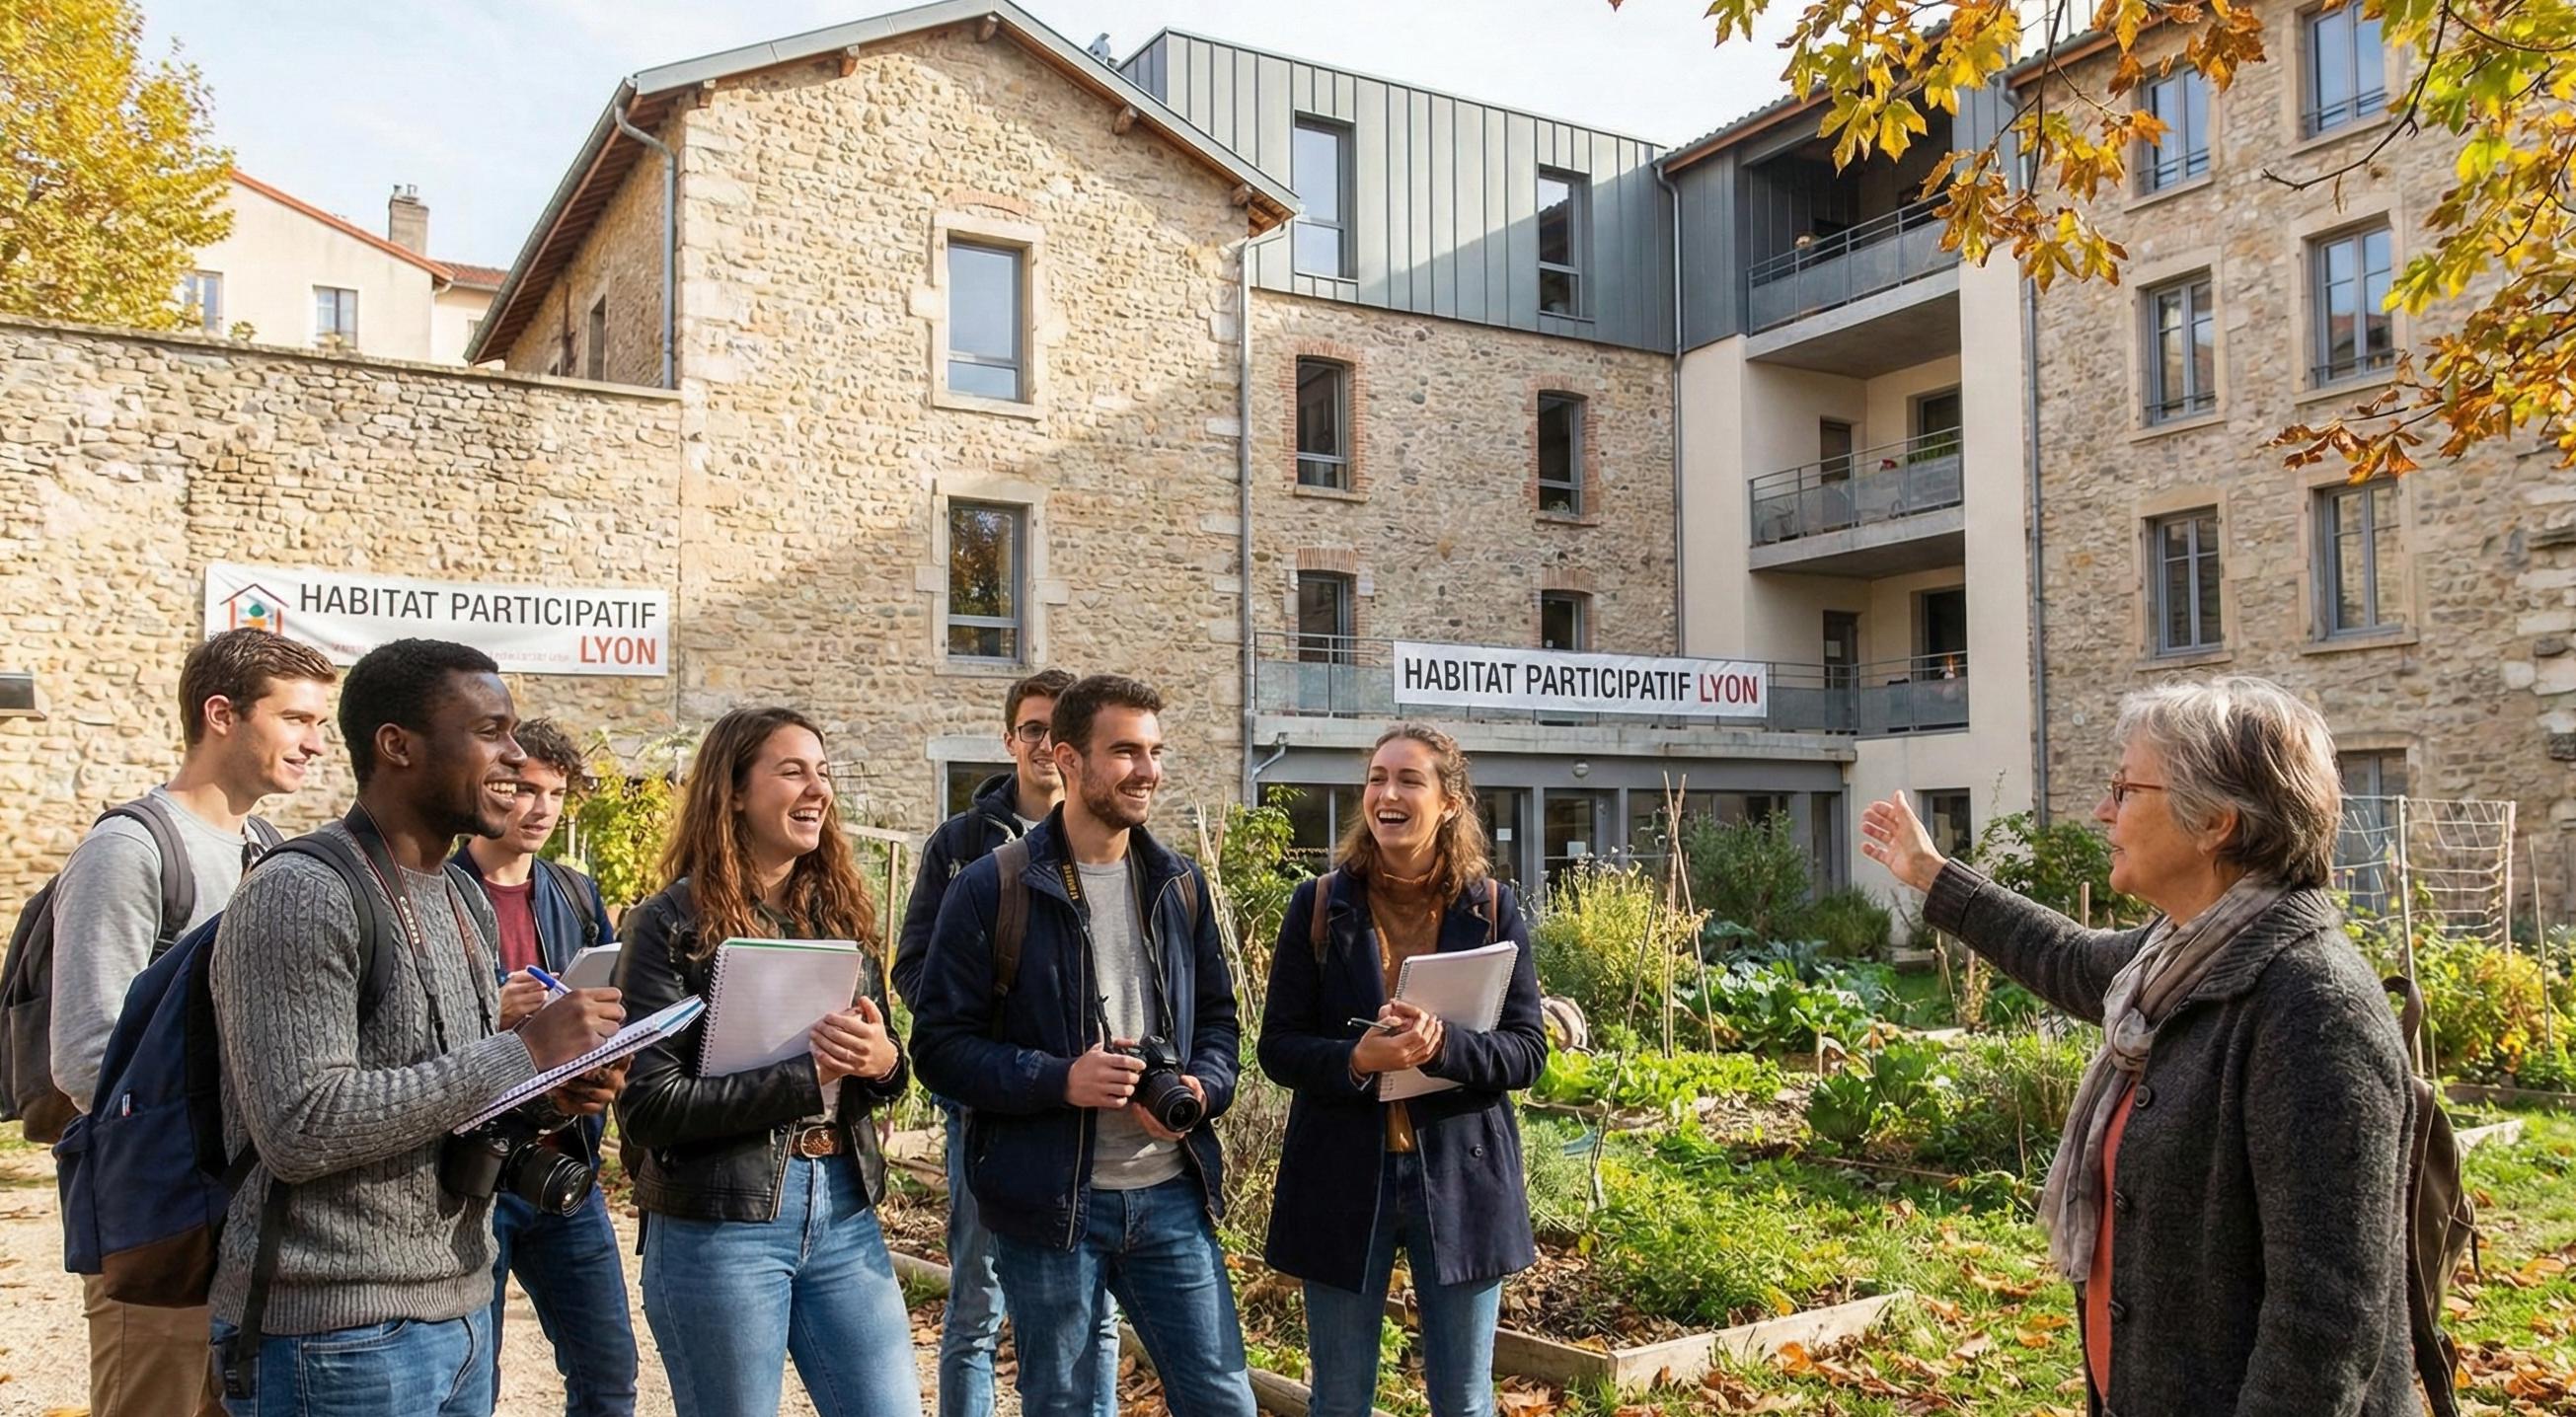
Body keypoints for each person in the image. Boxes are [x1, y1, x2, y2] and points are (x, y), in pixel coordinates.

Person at [1859, 676, 2414, 1415]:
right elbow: (2065, 956)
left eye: (2125, 789)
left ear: (2215, 821)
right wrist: (1931, 876)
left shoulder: (2311, 1007)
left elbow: (2323, 1324)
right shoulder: (2178, 959)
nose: (2102, 810)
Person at [209, 638, 629, 1417]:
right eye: (489, 732)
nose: (512, 757)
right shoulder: (303, 892)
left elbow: (457, 1096)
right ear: (396, 746)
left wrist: (551, 1090)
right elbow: (300, 1126)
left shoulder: (458, 898)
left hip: (459, 1312)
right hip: (334, 1338)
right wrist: (522, 1051)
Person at [913, 674, 1253, 1417]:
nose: (1149, 770)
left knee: (1224, 1400)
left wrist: (1202, 1088)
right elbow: (938, 1047)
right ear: (1068, 759)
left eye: (1155, 751)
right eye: (1125, 751)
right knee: (1062, 1405)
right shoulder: (988, 886)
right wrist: (1058, 1079)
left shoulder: (1179, 885)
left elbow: (1222, 1026)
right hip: (1051, 1206)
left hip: (1171, 1195)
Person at [46, 628, 336, 1417]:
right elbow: (84, 1060)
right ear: (222, 714)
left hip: (249, 1220)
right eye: (297, 720)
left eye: (321, 725)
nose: (316, 745)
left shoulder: (269, 850)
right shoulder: (132, 850)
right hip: (163, 1218)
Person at [613, 707, 920, 1417]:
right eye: (792, 771)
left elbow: (883, 1077)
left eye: (822, 772)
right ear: (735, 792)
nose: (817, 789)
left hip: (844, 1212)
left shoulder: (836, 916)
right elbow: (648, 1107)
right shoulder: (668, 924)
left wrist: (881, 1063)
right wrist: (803, 1079)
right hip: (721, 1227)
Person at [1258, 724, 1546, 1417]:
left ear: (1449, 802)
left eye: (1409, 780)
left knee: (1465, 1400)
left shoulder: (1493, 909)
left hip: (1461, 1179)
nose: (1387, 793)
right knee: (1340, 1399)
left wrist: (1444, 1045)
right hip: (1343, 1177)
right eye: (1377, 778)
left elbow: (1527, 1051)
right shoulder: (1320, 904)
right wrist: (1356, 1058)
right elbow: (1279, 1047)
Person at [891, 669, 1121, 1417]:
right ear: (1011, 740)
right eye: (1031, 729)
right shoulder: (961, 845)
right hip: (987, 1104)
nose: (1045, 745)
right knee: (978, 1298)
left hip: (1089, 1110)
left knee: (1100, 1303)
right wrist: (989, 1042)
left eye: (1058, 731)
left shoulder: (1116, 844)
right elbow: (914, 966)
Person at [451, 717, 638, 1416]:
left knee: (610, 1371)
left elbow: (618, 1008)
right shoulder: (440, 887)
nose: (540, 810)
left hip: (567, 1165)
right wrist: (489, 1010)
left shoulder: (577, 894)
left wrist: (609, 1054)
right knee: (472, 1383)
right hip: (472, 1177)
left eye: (556, 794)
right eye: (524, 789)